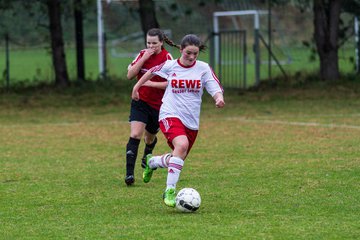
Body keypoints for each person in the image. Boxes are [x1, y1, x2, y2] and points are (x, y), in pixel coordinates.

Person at [132, 34, 225, 207]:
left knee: (178, 156)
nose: (191, 57)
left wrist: (218, 98)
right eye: (188, 53)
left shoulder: (203, 68)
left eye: (195, 54)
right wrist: (137, 86)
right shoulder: (171, 65)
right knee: (181, 146)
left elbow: (214, 86)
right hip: (169, 113)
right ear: (181, 50)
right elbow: (150, 72)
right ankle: (169, 191)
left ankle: (153, 162)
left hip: (191, 121)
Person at [124, 28, 177, 186]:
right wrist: (143, 58)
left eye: (154, 43)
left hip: (158, 106)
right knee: (135, 134)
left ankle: (148, 151)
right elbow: (129, 75)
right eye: (149, 43)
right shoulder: (142, 54)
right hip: (140, 102)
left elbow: (171, 84)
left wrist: (150, 83)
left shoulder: (167, 59)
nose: (151, 46)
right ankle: (129, 175)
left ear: (161, 42)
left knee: (149, 138)